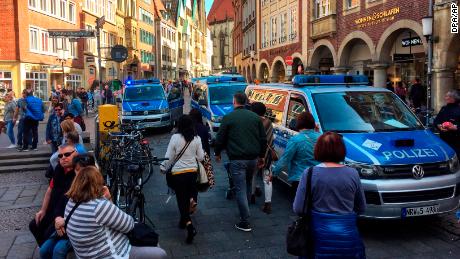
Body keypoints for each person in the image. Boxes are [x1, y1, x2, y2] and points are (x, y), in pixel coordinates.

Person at [63, 166, 167, 258]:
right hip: (112, 254)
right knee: (160, 253)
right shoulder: (99, 207)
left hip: (85, 254)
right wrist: (108, 198)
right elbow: (128, 225)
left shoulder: (71, 203)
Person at [293, 132, 366, 259]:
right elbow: (361, 207)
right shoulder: (353, 173)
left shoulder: (310, 173)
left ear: (318, 149)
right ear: (341, 149)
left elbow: (298, 208)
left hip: (317, 237)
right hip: (347, 238)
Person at [214, 92, 267, 232]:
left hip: (237, 159)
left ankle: (245, 221)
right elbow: (263, 139)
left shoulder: (228, 117)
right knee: (248, 184)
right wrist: (262, 156)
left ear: (234, 102)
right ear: (246, 102)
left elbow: (220, 138)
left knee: (240, 189)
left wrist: (217, 152)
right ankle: (246, 210)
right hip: (253, 159)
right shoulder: (255, 118)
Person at [160, 115, 204, 244]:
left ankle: (189, 225)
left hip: (178, 174)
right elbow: (201, 157)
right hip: (192, 173)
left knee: (181, 200)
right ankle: (190, 203)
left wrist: (163, 167)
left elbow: (169, 156)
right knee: (188, 195)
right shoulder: (197, 139)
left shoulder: (175, 138)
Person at [30, 144, 78, 257]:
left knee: (56, 248)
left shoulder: (79, 171)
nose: (63, 158)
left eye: (67, 154)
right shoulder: (58, 169)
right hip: (54, 211)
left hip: (67, 216)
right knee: (34, 224)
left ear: (75, 153)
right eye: (60, 156)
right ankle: (45, 244)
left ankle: (49, 245)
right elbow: (50, 190)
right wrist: (43, 210)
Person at [272, 112, 320, 196]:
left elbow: (285, 159)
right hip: (318, 177)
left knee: (300, 206)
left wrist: (274, 173)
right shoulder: (321, 137)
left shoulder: (296, 140)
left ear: (299, 123)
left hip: (300, 178)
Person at [250, 102, 275, 214]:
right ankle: (267, 203)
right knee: (267, 178)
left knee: (253, 175)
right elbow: (269, 140)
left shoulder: (250, 122)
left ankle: (252, 195)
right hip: (266, 155)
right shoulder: (268, 122)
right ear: (264, 111)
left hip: (253, 154)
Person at [433, 90, 460, 156]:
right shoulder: (444, 108)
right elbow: (436, 121)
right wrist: (439, 126)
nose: (445, 98)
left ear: (453, 98)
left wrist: (455, 128)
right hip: (443, 140)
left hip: (456, 142)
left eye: (447, 96)